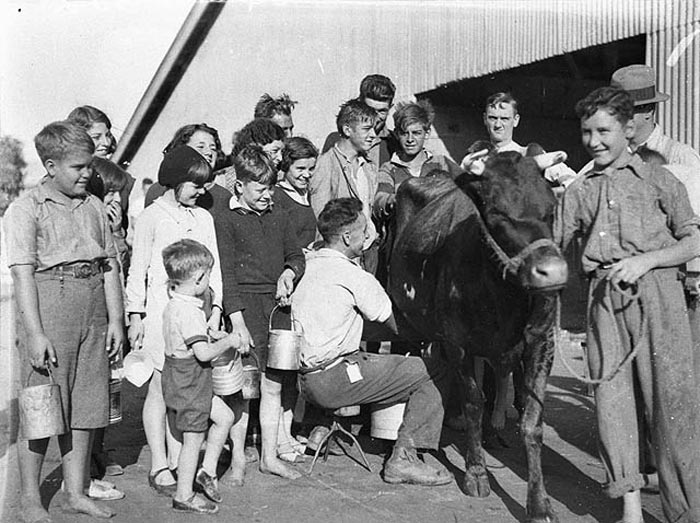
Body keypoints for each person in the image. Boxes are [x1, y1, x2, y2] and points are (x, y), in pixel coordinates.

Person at [557, 86, 700, 523]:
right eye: (586, 132)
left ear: (627, 127)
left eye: (603, 131)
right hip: (605, 303)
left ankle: (686, 512)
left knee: (672, 405)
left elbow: (694, 239)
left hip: (659, 297)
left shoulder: (661, 179)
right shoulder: (580, 189)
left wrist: (646, 261)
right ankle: (631, 510)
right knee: (613, 404)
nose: (593, 141)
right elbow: (557, 247)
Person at [4, 121, 124, 521]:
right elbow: (23, 276)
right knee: (42, 406)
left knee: (89, 404)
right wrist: (36, 333)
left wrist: (116, 320)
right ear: (51, 166)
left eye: (90, 165)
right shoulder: (25, 209)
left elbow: (109, 266)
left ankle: (75, 492)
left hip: (93, 305)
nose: (87, 173)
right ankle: (29, 500)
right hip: (50, 303)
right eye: (78, 167)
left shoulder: (92, 206)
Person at [292, 198, 453, 486]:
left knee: (370, 353)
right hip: (334, 380)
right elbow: (397, 326)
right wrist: (437, 331)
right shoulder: (353, 275)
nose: (368, 236)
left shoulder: (307, 262)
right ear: (347, 237)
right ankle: (403, 459)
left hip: (303, 381)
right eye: (364, 231)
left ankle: (319, 427)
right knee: (435, 371)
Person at [126, 146, 224, 497]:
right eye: (194, 184)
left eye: (204, 184)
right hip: (160, 313)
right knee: (159, 385)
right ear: (174, 179)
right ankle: (159, 465)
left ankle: (181, 458)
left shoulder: (204, 218)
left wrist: (216, 308)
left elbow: (214, 271)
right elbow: (138, 270)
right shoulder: (153, 215)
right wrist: (135, 315)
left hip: (197, 314)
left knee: (188, 387)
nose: (200, 191)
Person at [211, 144, 305, 479]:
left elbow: (296, 255)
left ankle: (269, 456)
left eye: (271, 187)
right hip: (245, 310)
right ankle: (238, 458)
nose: (268, 195)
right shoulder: (225, 219)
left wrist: (288, 273)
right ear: (240, 186)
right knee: (243, 390)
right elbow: (226, 274)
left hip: (276, 309)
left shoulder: (279, 215)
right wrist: (236, 320)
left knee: (274, 386)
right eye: (260, 188)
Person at [160, 239, 242, 515]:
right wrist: (229, 340)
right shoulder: (191, 311)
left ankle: (206, 472)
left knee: (225, 417)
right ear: (198, 279)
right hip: (191, 382)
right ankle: (184, 495)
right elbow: (204, 354)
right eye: (207, 276)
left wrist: (211, 335)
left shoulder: (175, 304)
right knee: (193, 440)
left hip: (176, 375)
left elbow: (190, 341)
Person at [309, 99, 380, 272]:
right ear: (347, 130)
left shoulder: (369, 166)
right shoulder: (326, 164)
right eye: (366, 129)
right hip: (340, 259)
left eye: (374, 129)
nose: (373, 135)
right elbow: (321, 220)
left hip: (368, 253)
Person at [374, 100, 462, 217]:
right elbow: (379, 201)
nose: (410, 139)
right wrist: (396, 199)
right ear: (396, 134)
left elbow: (466, 188)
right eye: (404, 133)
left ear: (427, 133)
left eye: (416, 133)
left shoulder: (441, 163)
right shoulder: (389, 168)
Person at [473, 92, 577, 187]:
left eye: (504, 119)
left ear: (515, 120)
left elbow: (573, 184)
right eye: (493, 118)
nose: (498, 125)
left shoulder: (529, 153)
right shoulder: (476, 157)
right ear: (485, 119)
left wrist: (547, 196)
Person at [611, 64, 700, 171]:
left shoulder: (681, 157)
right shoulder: (605, 160)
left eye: (626, 111)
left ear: (648, 110)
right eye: (614, 110)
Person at [145, 123, 231, 215]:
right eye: (200, 147)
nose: (209, 152)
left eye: (213, 148)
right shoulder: (157, 191)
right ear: (182, 149)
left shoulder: (223, 197)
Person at [323, 74, 396, 166]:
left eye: (382, 111)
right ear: (360, 103)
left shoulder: (395, 143)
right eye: (370, 110)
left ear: (390, 108)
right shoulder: (336, 140)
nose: (376, 117)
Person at [215, 118, 286, 194]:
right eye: (274, 151)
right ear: (254, 147)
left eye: (282, 152)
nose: (280, 158)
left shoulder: (281, 180)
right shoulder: (222, 181)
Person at [273, 136, 319, 249]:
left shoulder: (310, 194)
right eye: (300, 169)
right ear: (286, 166)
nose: (307, 175)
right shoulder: (276, 196)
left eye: (311, 169)